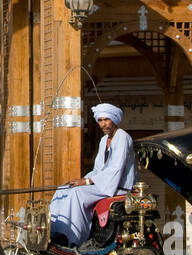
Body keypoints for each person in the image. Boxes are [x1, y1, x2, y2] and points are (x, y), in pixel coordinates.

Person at [48, 103, 136, 247]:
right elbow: (98, 169)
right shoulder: (103, 141)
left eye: (106, 120)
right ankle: (55, 231)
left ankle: (73, 237)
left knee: (77, 194)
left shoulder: (122, 137)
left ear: (114, 119)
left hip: (117, 186)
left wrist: (87, 182)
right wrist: (82, 179)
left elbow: (115, 169)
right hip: (103, 182)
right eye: (100, 120)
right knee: (63, 190)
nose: (103, 124)